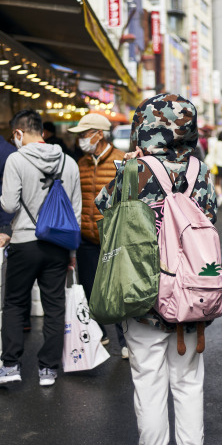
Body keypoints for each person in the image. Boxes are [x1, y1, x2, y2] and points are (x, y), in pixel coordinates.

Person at [95, 93, 217, 445]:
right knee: (188, 381)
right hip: (191, 296)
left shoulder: (133, 168)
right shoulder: (200, 170)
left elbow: (102, 206)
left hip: (145, 296)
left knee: (148, 380)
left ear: (144, 127)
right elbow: (210, 217)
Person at [0, 109, 81, 387]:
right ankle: (48, 370)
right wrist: (72, 254)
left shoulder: (15, 160)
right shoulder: (69, 162)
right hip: (58, 245)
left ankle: (11, 365)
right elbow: (75, 213)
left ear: (18, 133)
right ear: (41, 130)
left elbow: (9, 205)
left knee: (16, 303)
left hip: (24, 243)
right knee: (54, 306)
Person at [67, 113, 127, 356]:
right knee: (90, 289)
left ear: (99, 134)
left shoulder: (122, 161)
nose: (81, 139)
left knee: (118, 291)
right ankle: (99, 332)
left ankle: (125, 341)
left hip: (113, 238)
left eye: (84, 134)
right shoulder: (80, 164)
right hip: (86, 238)